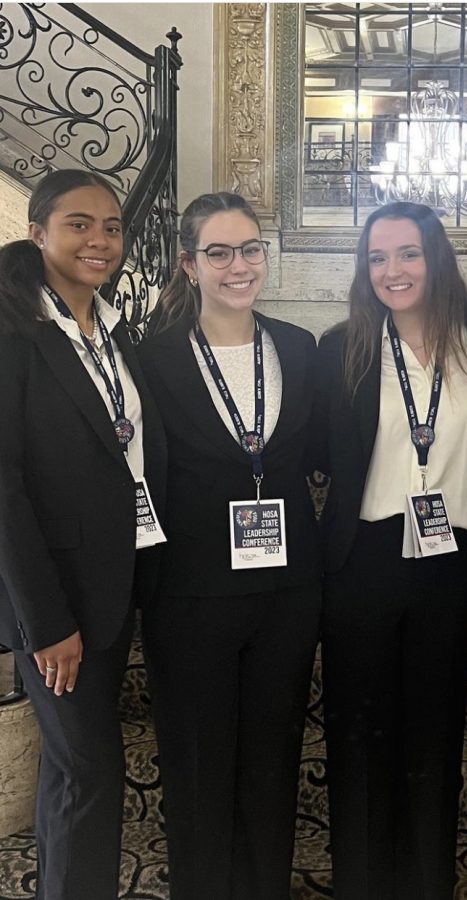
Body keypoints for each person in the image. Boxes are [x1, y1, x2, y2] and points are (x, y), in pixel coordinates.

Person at [314, 201, 467, 899]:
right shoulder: (344, 347)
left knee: (433, 740)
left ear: (437, 259)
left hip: (446, 561)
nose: (393, 270)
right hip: (362, 560)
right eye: (378, 258)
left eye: (408, 254)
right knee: (359, 742)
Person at [138, 192, 322, 900]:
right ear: (189, 264)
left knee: (272, 760)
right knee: (197, 764)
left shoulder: (298, 348)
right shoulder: (151, 360)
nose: (238, 265)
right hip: (190, 593)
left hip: (287, 592)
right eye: (219, 252)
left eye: (250, 249)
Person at [0, 168, 167, 900]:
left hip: (115, 583)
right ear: (38, 233)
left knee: (81, 771)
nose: (100, 240)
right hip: (57, 603)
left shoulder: (110, 332)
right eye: (79, 224)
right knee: (87, 771)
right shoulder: (13, 336)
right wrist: (47, 623)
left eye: (112, 227)